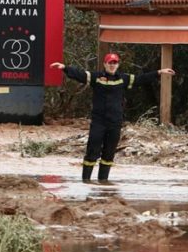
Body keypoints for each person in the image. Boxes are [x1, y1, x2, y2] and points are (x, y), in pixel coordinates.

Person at [50, 53, 175, 183]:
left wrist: (159, 72)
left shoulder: (123, 79)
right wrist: (65, 68)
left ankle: (103, 183)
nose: (112, 65)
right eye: (110, 63)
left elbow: (140, 79)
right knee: (92, 151)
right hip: (99, 121)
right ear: (105, 64)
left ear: (118, 65)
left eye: (114, 63)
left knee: (109, 153)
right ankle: (86, 182)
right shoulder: (97, 77)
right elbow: (81, 75)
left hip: (115, 122)